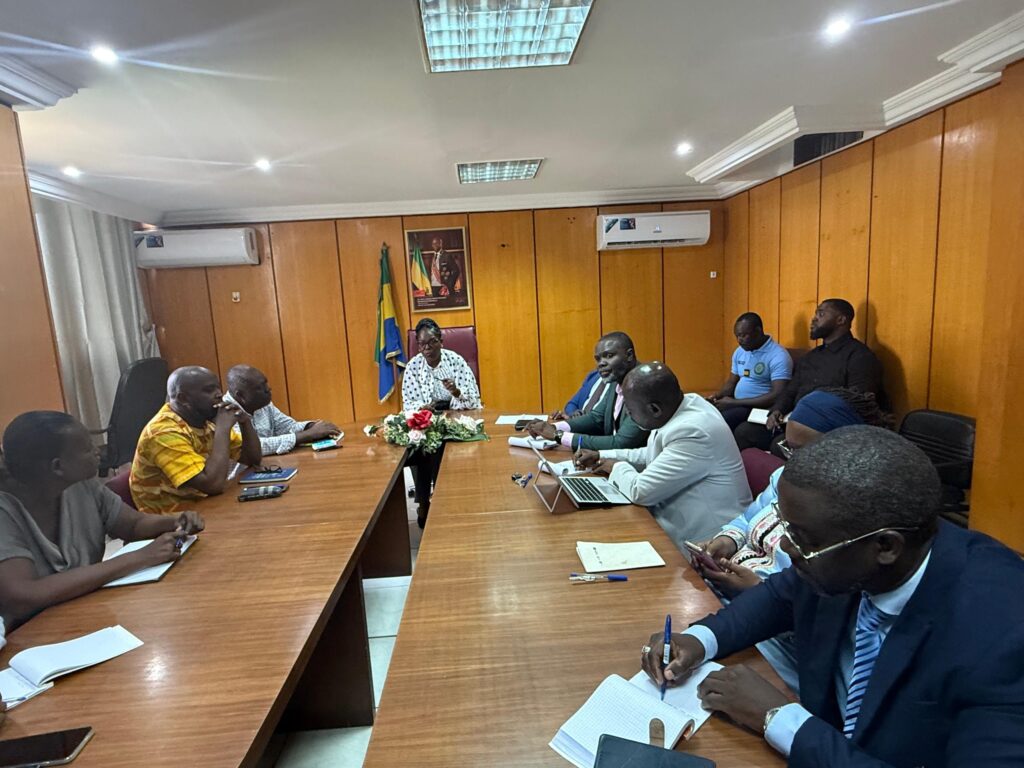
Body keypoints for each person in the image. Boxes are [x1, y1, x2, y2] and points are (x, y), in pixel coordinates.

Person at [640, 426, 1024, 767]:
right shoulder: (846, 551)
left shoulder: (1004, 638)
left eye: (803, 539)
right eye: (787, 529)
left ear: (885, 547)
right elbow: (779, 595)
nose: (786, 547)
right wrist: (700, 639)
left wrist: (778, 718)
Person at [695, 388, 891, 693]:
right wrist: (726, 540)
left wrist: (756, 590)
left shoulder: (852, 520)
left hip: (781, 636)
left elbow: (820, 611)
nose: (794, 462)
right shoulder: (786, 477)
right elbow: (747, 519)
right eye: (790, 448)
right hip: (729, 598)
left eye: (806, 452)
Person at [0, 411, 205, 630]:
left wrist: (173, 521)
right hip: (32, 633)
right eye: (88, 448)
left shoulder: (81, 484)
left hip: (89, 614)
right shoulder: (5, 513)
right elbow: (23, 597)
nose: (98, 452)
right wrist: (138, 558)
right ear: (58, 467)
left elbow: (132, 525)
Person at [574, 362, 751, 548]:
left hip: (708, 542)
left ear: (654, 409)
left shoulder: (692, 430)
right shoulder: (680, 407)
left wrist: (615, 466)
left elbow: (640, 491)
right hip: (674, 523)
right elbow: (653, 454)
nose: (629, 415)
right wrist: (601, 455)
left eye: (630, 410)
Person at [734, 299, 884, 451]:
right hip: (792, 419)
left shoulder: (860, 356)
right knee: (744, 432)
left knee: (779, 445)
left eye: (821, 314)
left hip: (826, 427)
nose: (814, 319)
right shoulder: (811, 356)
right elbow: (791, 391)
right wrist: (777, 410)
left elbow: (859, 403)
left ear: (841, 320)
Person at [130, 366, 262, 514]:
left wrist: (244, 422)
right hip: (173, 519)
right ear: (183, 399)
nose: (219, 394)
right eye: (209, 390)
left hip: (206, 506)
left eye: (218, 388)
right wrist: (223, 429)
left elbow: (252, 459)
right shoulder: (162, 432)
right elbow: (213, 485)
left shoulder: (204, 419)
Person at [402, 318, 481, 528]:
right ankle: (423, 502)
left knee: (439, 447)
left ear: (441, 341)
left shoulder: (456, 361)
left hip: (455, 416)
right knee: (420, 445)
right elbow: (409, 404)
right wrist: (423, 408)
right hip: (427, 419)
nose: (427, 348)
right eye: (422, 344)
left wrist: (456, 392)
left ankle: (441, 500)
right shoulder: (413, 367)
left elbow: (473, 401)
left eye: (432, 342)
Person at [526, 332, 649, 451]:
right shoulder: (618, 380)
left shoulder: (644, 387)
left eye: (609, 356)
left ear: (629, 355)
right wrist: (552, 427)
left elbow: (622, 443)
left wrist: (558, 435)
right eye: (598, 359)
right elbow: (596, 418)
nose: (601, 363)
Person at [223, 364, 340, 455]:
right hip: (240, 476)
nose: (268, 389)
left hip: (268, 466)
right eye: (260, 387)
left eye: (266, 384)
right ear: (241, 396)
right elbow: (255, 447)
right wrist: (308, 435)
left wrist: (311, 426)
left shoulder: (263, 404)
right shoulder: (225, 412)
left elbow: (287, 427)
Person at [708, 312, 792, 432]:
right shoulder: (740, 351)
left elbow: (778, 395)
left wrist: (735, 403)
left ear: (758, 331)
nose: (739, 340)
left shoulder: (778, 355)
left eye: (743, 335)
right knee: (706, 414)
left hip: (758, 408)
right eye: (737, 336)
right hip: (736, 403)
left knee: (720, 421)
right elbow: (731, 383)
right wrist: (716, 396)